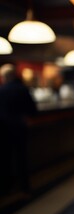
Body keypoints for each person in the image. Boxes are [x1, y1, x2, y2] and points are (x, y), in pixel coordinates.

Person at [0, 64, 37, 195]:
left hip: (4, 129)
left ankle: (6, 187)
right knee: (22, 157)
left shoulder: (1, 90)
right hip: (20, 127)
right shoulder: (23, 89)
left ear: (4, 77)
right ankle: (24, 186)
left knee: (5, 158)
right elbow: (33, 110)